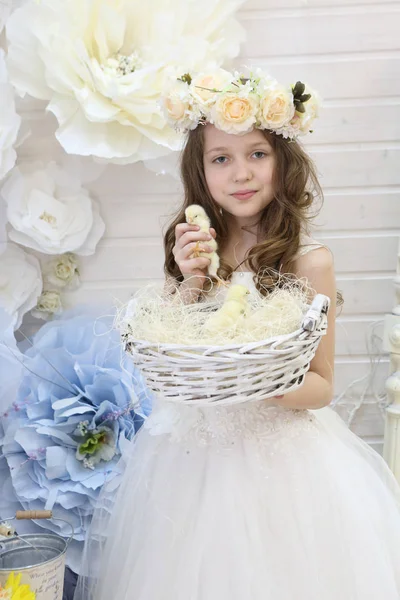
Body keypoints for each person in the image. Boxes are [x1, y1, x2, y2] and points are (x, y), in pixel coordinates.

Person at [75, 69, 400, 600]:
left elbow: (320, 387)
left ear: (282, 159)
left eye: (257, 153)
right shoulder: (195, 250)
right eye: (221, 158)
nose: (241, 173)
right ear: (200, 173)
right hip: (194, 454)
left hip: (282, 460)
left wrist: (257, 380)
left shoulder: (308, 262)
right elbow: (172, 351)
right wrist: (188, 285)